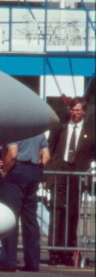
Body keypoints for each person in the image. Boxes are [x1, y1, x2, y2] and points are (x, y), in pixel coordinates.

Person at [47, 97, 93, 266]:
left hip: (78, 174)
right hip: (60, 171)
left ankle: (68, 250)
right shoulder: (61, 127)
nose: (74, 113)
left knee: (72, 213)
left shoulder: (90, 130)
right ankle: (54, 250)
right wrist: (47, 175)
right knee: (57, 211)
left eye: (78, 110)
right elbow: (49, 149)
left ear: (84, 111)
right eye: (72, 110)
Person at [0, 133, 49, 272]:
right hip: (34, 170)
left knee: (11, 216)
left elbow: (13, 154)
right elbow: (46, 156)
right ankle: (32, 262)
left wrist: (4, 171)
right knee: (30, 218)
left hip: (17, 170)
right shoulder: (39, 131)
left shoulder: (17, 128)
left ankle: (9, 260)